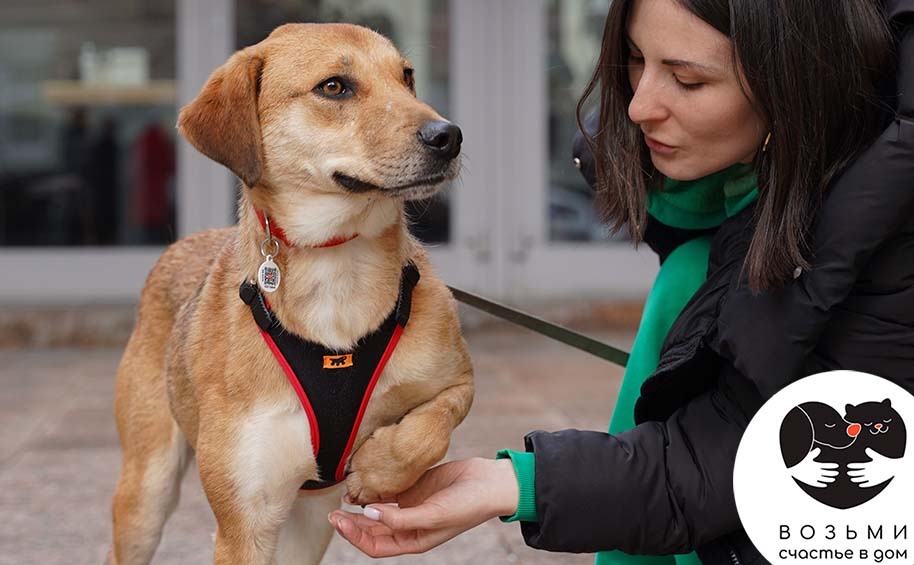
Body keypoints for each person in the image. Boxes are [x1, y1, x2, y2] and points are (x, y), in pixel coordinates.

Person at [329, 0, 914, 563]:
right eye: (635, 59)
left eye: (687, 80)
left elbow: (740, 460)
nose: (639, 106)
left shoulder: (888, 231)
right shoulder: (721, 179)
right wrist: (513, 482)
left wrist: (517, 484)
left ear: (794, 85)